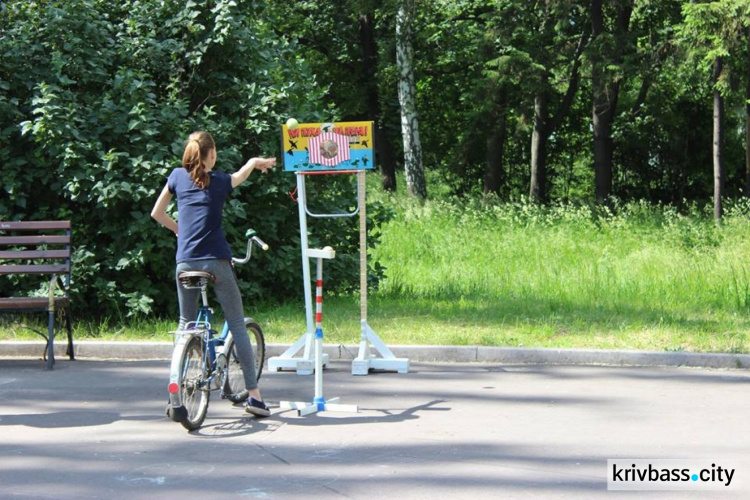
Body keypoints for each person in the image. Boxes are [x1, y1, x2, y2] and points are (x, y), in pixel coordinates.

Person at [151, 131, 276, 417]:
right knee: (236, 323)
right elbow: (240, 176)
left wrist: (179, 230)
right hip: (216, 262)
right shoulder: (218, 181)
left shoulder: (176, 177)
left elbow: (156, 213)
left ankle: (177, 396)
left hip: (185, 263)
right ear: (211, 155)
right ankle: (254, 397)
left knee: (186, 324)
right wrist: (255, 161)